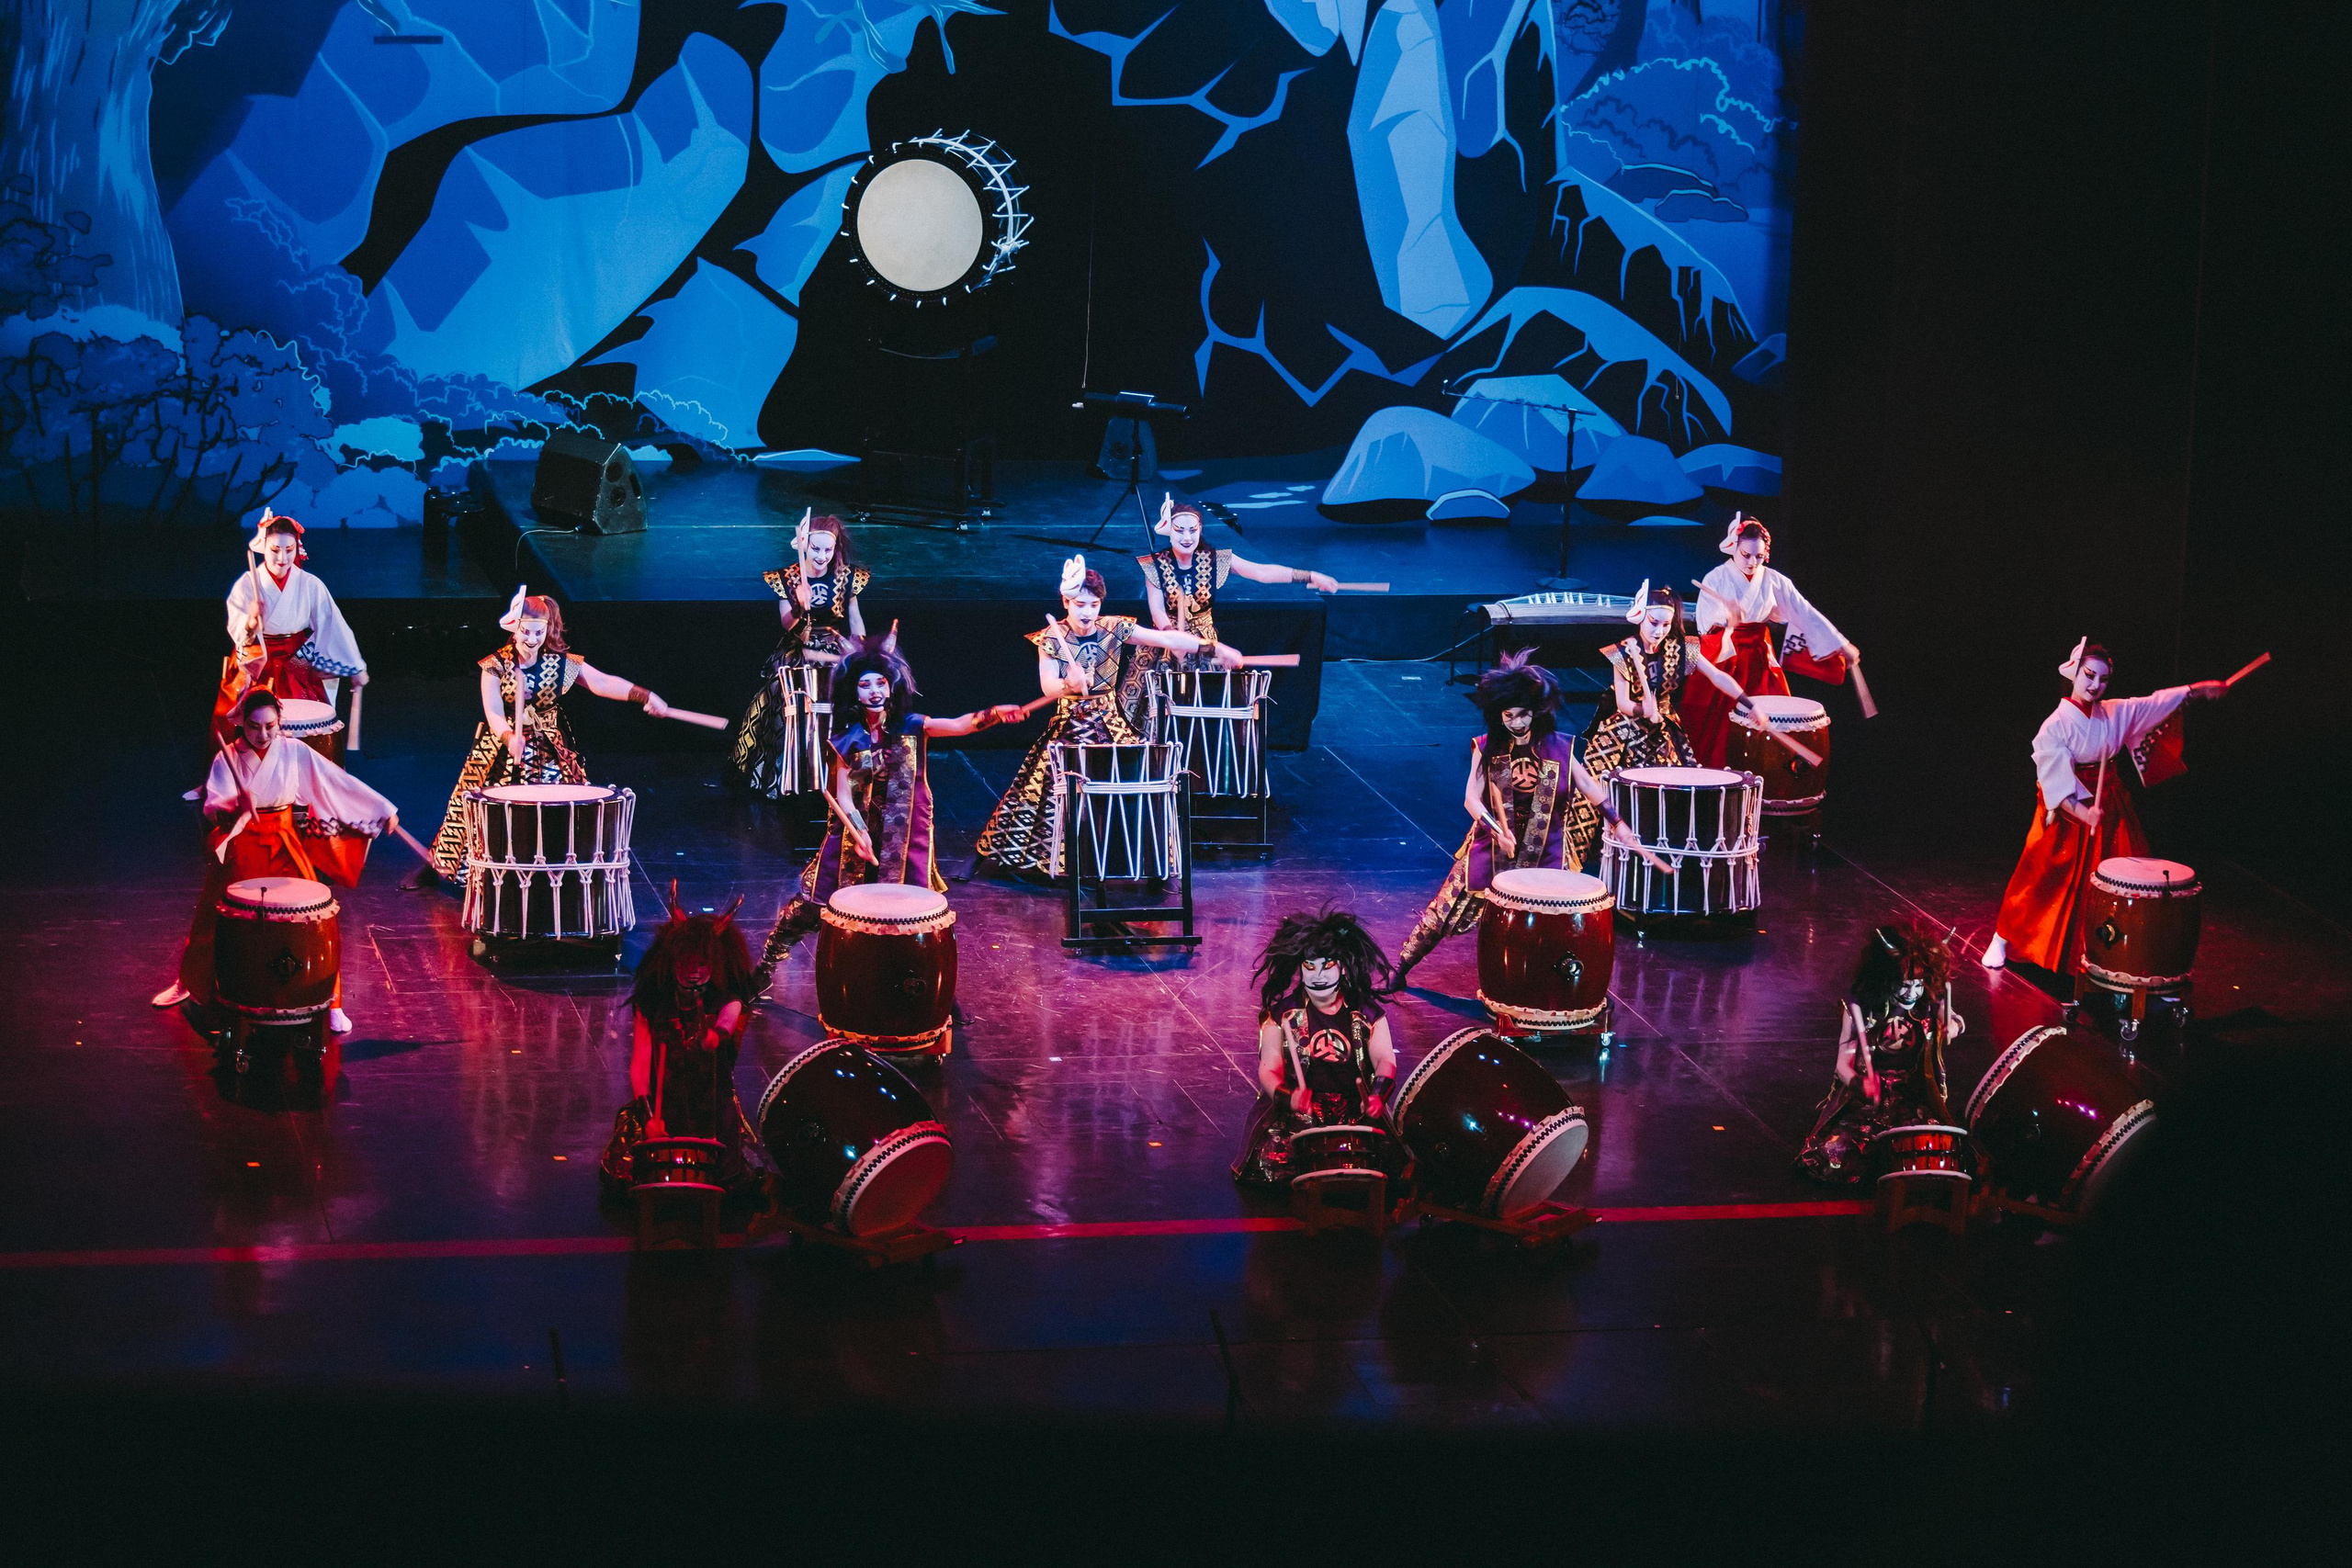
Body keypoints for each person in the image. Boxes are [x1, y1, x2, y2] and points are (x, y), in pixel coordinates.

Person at [752, 632, 1024, 989]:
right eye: (865, 685)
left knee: (913, 913)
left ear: (891, 686)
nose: (874, 691)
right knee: (812, 906)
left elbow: (960, 725)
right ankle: (765, 968)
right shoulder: (846, 740)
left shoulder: (913, 727)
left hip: (905, 837)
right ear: (854, 692)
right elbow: (842, 796)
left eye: (880, 683)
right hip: (853, 839)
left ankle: (926, 988)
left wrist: (995, 714)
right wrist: (859, 833)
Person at [972, 555, 1244, 874]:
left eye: (1094, 604)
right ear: (1066, 602)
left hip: (1111, 721)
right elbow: (1048, 686)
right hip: (1070, 725)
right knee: (1039, 789)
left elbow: (1167, 638)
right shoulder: (1051, 639)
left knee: (1137, 778)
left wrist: (1213, 647)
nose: (1087, 612)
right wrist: (1068, 683)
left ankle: (1140, 859)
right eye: (1079, 605)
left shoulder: (1114, 627)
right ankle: (1028, 859)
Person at [151, 688, 400, 1032]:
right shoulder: (228, 757)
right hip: (242, 842)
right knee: (214, 918)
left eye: (270, 726)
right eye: (254, 727)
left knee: (312, 920)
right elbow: (212, 806)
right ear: (243, 724)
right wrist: (232, 805)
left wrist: (381, 810)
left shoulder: (294, 751)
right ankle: (190, 983)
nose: (263, 734)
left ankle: (332, 1001)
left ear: (280, 721)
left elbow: (334, 782)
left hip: (283, 842)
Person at [1389, 649, 1639, 989]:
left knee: (1556, 920)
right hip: (1491, 848)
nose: (1516, 723)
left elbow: (1588, 785)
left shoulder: (1558, 746)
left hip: (1546, 849)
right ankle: (1402, 965)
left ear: (1536, 712)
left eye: (1523, 715)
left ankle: (1549, 985)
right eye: (1509, 715)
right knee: (1446, 911)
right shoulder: (1486, 746)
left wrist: (1617, 821)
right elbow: (1471, 799)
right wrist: (1498, 832)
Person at [1982, 638, 2224, 972]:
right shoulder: (2055, 726)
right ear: (2074, 672)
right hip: (2066, 812)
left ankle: (2108, 955)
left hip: (2110, 805)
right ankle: (2003, 936)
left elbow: (2154, 703)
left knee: (2122, 881)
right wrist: (2084, 813)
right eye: (2089, 675)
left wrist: (2198, 690)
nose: (2096, 685)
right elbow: (2058, 787)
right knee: (2041, 879)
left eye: (2103, 679)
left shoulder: (2114, 712)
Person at [424, 588, 672, 879]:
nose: (532, 639)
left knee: (562, 805)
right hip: (499, 748)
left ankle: (553, 870)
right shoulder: (495, 665)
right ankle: (441, 868)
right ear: (514, 628)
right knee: (474, 805)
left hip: (548, 746)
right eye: (526, 632)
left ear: (547, 630)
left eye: (538, 633)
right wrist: (509, 737)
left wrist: (645, 696)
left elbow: (602, 683)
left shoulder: (560, 663)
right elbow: (493, 712)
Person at [598, 887, 764, 1200]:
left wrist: (716, 1035)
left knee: (731, 1180)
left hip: (713, 1106)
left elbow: (730, 1017)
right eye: (685, 964)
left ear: (713, 965)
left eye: (701, 965)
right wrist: (649, 1119)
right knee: (628, 1175)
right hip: (663, 1106)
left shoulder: (725, 999)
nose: (693, 973)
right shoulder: (652, 1004)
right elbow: (639, 1067)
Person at [1129, 495, 1334, 739]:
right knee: (1155, 705)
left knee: (1202, 709)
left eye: (1193, 530)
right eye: (1180, 530)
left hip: (1205, 641)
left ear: (1200, 530)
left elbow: (1261, 572)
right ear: (1169, 532)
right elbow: (1158, 612)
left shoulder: (1214, 558)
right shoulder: (1154, 564)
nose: (1187, 537)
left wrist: (1310, 576)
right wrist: (1174, 640)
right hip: (1164, 642)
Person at [1232, 908, 1405, 1187]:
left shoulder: (1367, 1013)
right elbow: (1268, 1068)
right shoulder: (1281, 1016)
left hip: (1355, 1111)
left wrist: (1376, 1096)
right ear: (1300, 969)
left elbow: (1385, 1059)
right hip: (1301, 1115)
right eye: (1310, 967)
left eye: (1327, 965)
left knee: (1384, 1166)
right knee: (1276, 1167)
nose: (1318, 976)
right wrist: (1290, 1098)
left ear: (1343, 967)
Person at [1683, 513, 1860, 768]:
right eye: (1746, 555)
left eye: (1759, 556)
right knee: (1718, 722)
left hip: (1759, 656)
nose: (1752, 562)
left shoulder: (1774, 580)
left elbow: (1804, 611)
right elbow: (1705, 625)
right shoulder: (1716, 578)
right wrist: (1729, 619)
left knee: (1775, 713)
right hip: (1726, 656)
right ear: (1733, 548)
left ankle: (1770, 772)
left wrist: (1841, 644)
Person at [1796, 924, 1966, 1183]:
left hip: (1911, 1098)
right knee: (1835, 1161)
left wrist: (1952, 1024)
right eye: (1905, 985)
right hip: (1867, 1102)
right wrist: (1860, 1084)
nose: (1912, 993)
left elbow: (1948, 1013)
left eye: (1918, 985)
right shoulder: (1862, 1009)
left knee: (1931, 1153)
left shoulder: (1927, 1003)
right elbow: (1842, 1065)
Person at [726, 512, 871, 797]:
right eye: (815, 549)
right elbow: (788, 624)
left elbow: (855, 619)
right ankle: (790, 780)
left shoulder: (847, 575)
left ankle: (838, 781)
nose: (822, 556)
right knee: (779, 704)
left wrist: (861, 652)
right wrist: (800, 607)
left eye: (828, 550)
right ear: (804, 545)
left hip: (835, 647)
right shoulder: (787, 577)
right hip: (799, 650)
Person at [212, 510, 368, 742]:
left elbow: (333, 623)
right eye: (275, 550)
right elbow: (237, 627)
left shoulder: (310, 584)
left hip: (296, 660)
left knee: (308, 720)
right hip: (257, 658)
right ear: (264, 547)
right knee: (242, 715)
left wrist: (356, 667)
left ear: (297, 549)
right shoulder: (247, 583)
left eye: (289, 550)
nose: (282, 558)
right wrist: (252, 622)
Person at [1578, 581, 1755, 782]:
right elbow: (1623, 703)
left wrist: (1749, 704)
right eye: (1654, 623)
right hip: (1626, 728)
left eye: (1666, 625)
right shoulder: (1624, 651)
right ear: (1640, 616)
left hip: (1663, 725)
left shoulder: (1679, 648)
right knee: (1603, 782)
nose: (1659, 631)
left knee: (1674, 783)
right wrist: (1643, 710)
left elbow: (1717, 676)